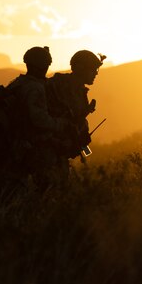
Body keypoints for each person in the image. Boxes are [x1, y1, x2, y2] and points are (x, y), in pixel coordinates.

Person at [0, 46, 69, 196]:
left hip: (11, 144)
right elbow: (39, 120)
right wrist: (60, 124)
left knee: (8, 194)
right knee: (47, 188)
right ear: (42, 65)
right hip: (24, 147)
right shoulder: (34, 88)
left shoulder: (18, 82)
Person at [45, 49, 105, 188]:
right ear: (81, 68)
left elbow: (77, 120)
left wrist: (83, 141)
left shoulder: (78, 90)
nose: (96, 73)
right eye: (93, 69)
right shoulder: (59, 86)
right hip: (49, 151)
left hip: (60, 152)